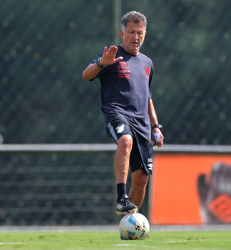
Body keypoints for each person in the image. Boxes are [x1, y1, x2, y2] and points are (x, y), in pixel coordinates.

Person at [82, 11, 164, 215]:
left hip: (142, 123)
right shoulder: (111, 55)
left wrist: (155, 126)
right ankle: (121, 197)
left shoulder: (147, 63)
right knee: (125, 140)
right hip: (116, 113)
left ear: (145, 34)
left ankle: (130, 221)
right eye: (131, 32)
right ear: (121, 33)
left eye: (140, 33)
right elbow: (85, 75)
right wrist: (102, 63)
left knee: (142, 177)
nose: (135, 37)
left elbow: (147, 97)